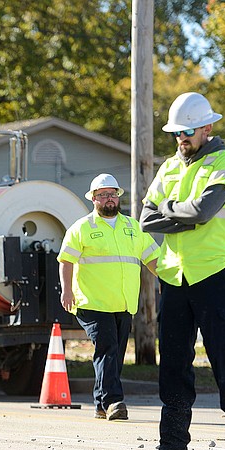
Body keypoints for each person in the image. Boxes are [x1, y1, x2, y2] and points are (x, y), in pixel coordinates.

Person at [130, 92, 225, 450]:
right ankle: (171, 449)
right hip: (172, 276)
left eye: (187, 131)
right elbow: (145, 219)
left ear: (207, 128)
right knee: (172, 367)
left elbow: (204, 211)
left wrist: (171, 212)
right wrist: (180, 215)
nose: (181, 138)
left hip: (212, 273)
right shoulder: (169, 167)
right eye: (176, 132)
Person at [58, 173, 159, 421]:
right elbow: (66, 260)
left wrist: (172, 281)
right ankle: (114, 401)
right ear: (93, 199)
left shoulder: (133, 227)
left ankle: (101, 404)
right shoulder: (82, 227)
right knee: (108, 349)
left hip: (124, 303)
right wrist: (67, 289)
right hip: (92, 302)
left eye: (112, 194)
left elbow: (153, 259)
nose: (109, 199)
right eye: (103, 195)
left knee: (114, 353)